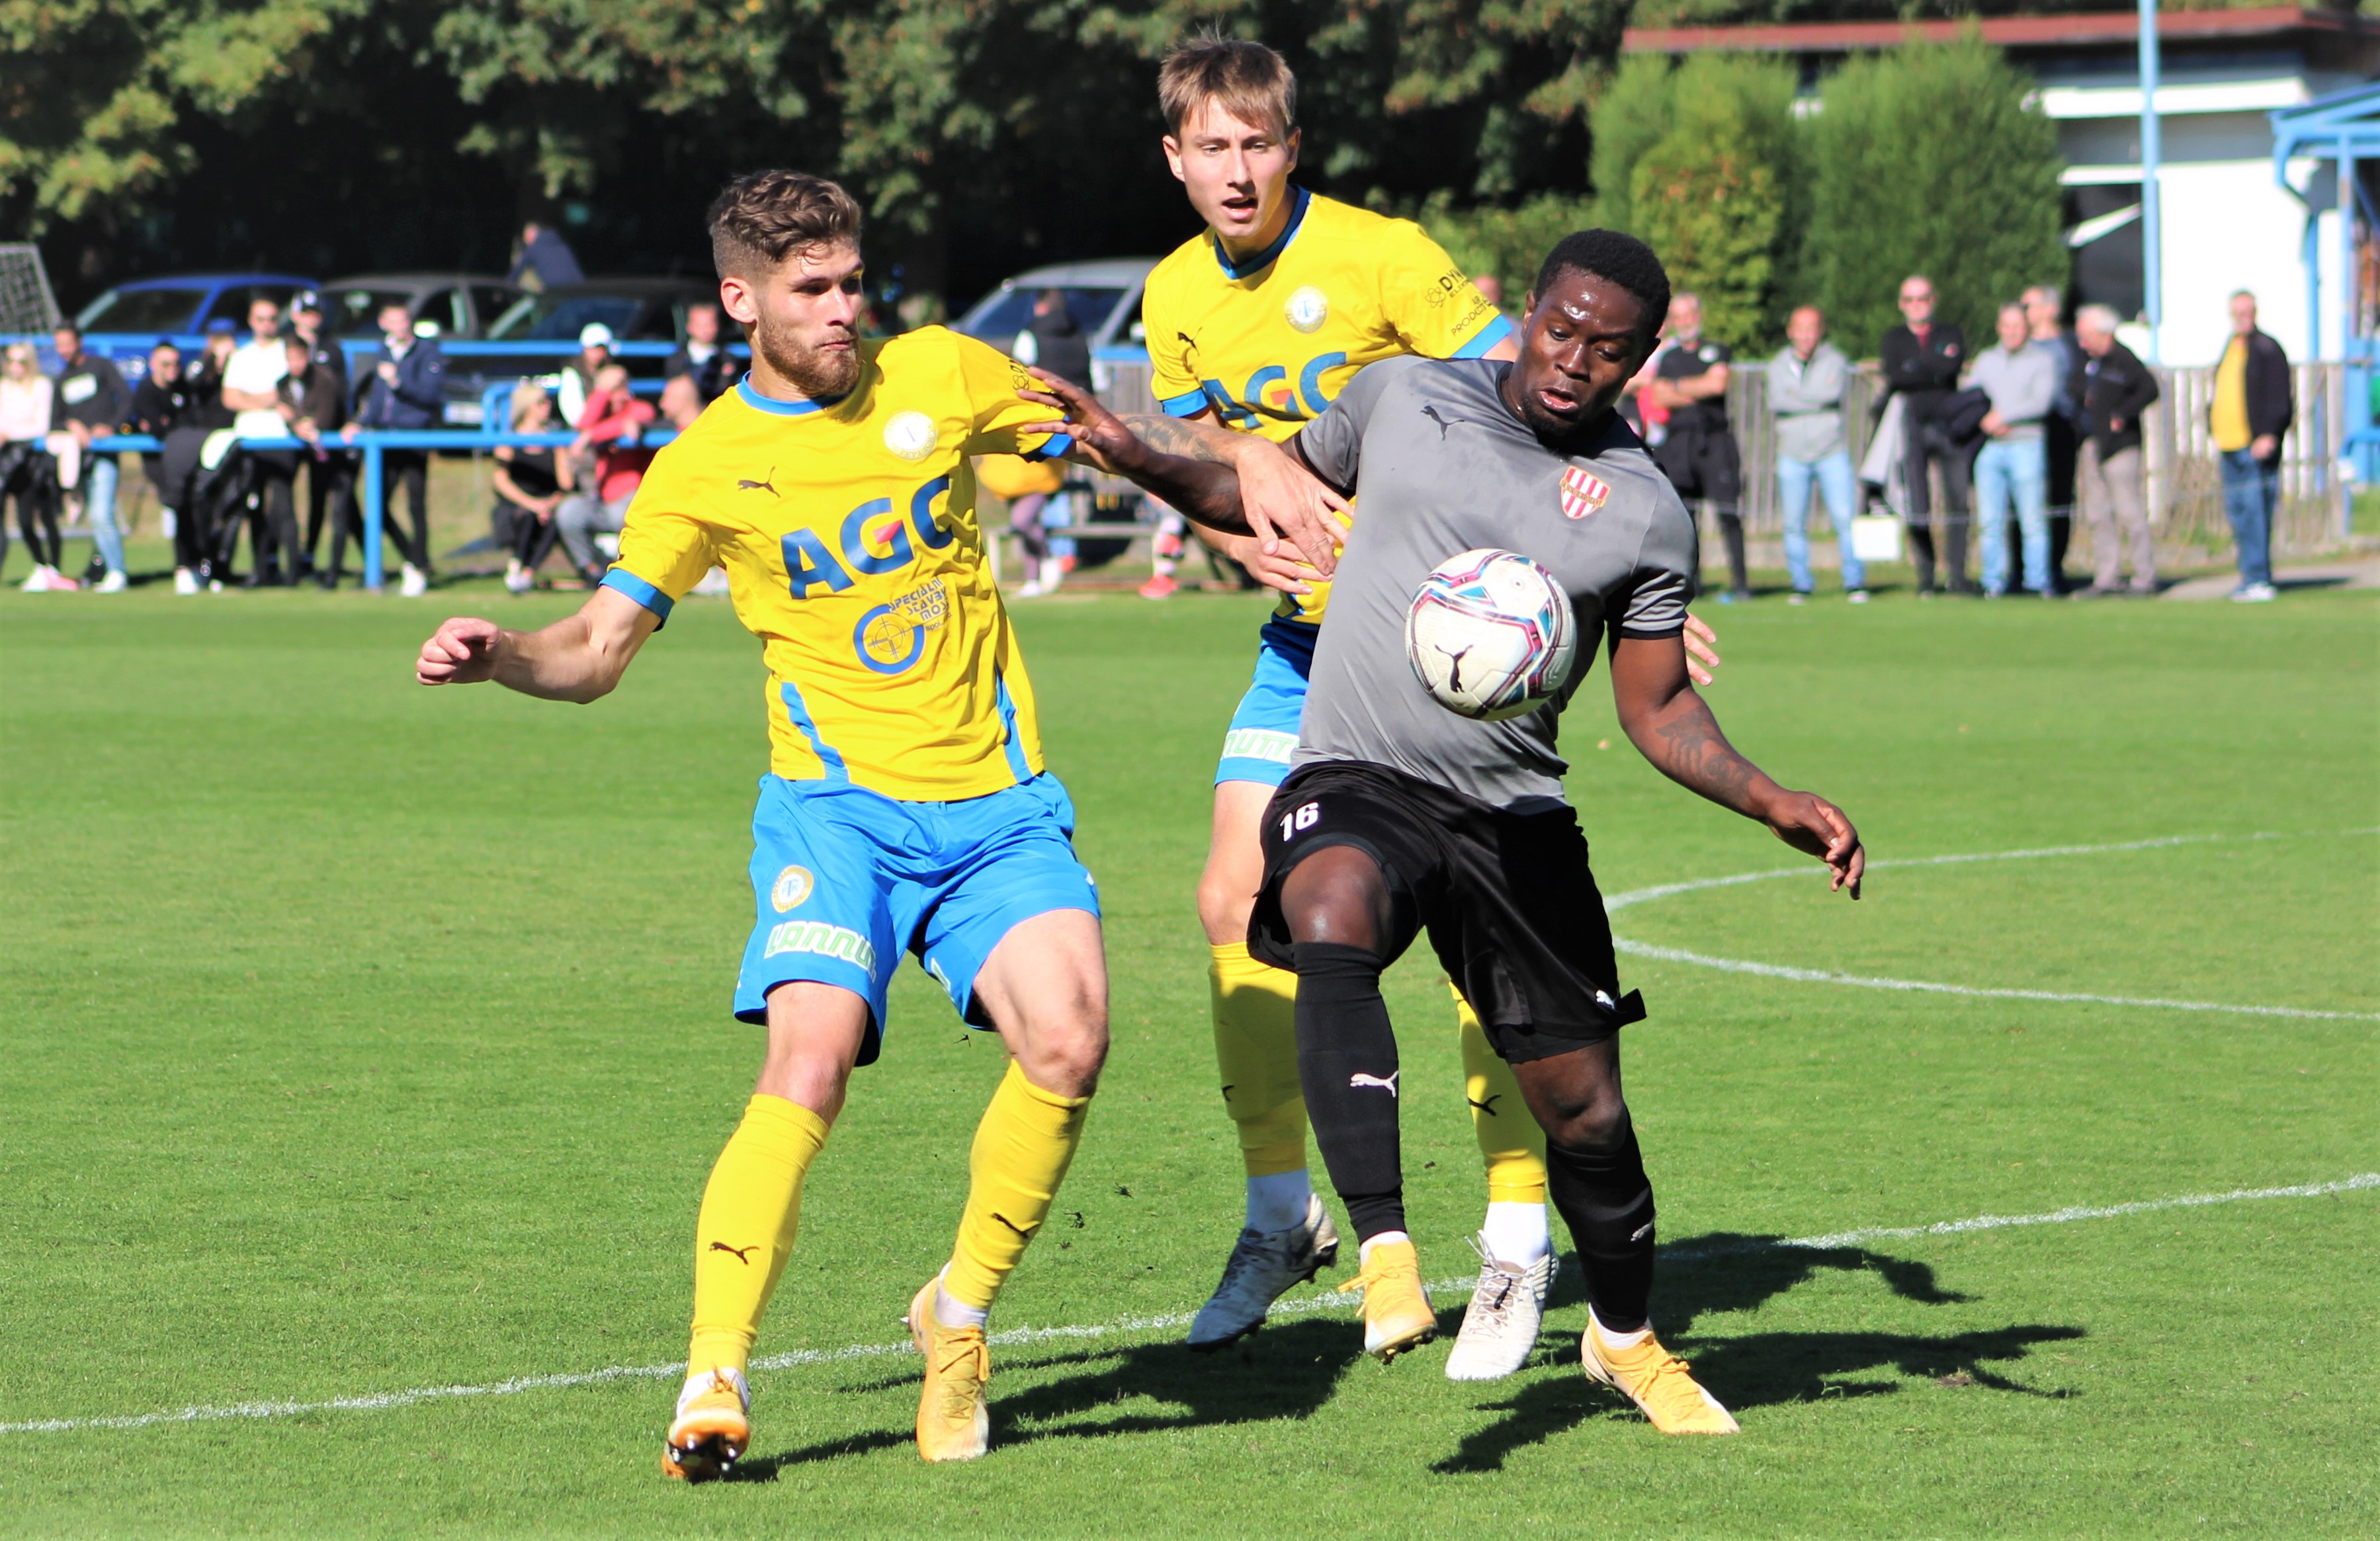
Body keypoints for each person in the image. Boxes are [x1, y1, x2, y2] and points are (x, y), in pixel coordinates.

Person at [1031, 227, 1863, 1436]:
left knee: (1585, 1109)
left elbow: (1657, 705)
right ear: (1523, 312)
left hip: (1510, 811)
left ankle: (1623, 1341)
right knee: (1325, 905)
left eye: (1609, 346)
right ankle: (1383, 1253)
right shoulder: (1398, 395)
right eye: (1560, 327)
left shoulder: (1640, 510)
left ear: (1642, 359)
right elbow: (1256, 499)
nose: (1575, 358)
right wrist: (1134, 456)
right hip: (1358, 765)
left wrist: (1770, 797)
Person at [413, 168, 1158, 1474]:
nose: (840, 311)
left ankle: (959, 1322)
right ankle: (712, 1375)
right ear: (739, 300)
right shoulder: (704, 468)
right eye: (808, 290)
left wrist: (1225, 471)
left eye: (850, 281)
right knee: (804, 1063)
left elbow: (1100, 447)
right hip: (831, 818)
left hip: (995, 805)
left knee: (1072, 1040)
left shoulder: (941, 373)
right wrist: (503, 657)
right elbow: (595, 648)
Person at [1138, 35, 1592, 1381]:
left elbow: (1527, 399)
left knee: (1473, 937)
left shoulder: (1386, 255)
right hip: (1302, 653)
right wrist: (1241, 530)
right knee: (1231, 900)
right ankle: (1280, 1214)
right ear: (1174, 158)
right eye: (1208, 148)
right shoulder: (1170, 298)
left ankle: (1515, 1231)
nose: (1234, 170)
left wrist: (1618, 567)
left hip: (1444, 651)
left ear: (1291, 147)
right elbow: (1217, 469)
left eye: (1255, 143)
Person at [1644, 292, 1748, 603]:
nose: (1686, 321)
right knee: (1687, 517)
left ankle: (1741, 583)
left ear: (1699, 315)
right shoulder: (1668, 358)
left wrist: (1677, 388)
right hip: (1679, 444)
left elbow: (1717, 385)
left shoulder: (1717, 350)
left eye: (1690, 314)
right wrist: (1696, 387)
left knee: (1728, 513)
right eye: (1680, 316)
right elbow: (1658, 397)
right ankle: (1694, 584)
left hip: (1715, 441)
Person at [1765, 304, 1864, 603]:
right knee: (1794, 523)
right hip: (1792, 454)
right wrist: (1812, 399)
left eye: (1812, 329)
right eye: (1801, 329)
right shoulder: (1777, 364)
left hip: (1831, 451)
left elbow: (1832, 395)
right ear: (1791, 332)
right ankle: (1801, 584)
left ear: (1820, 331)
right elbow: (1777, 401)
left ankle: (1855, 583)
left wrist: (1797, 397)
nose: (1807, 336)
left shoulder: (1835, 361)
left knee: (1846, 519)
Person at [1880, 275, 1972, 595]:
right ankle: (1926, 576)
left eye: (1922, 299)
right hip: (1912, 426)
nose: (1916, 306)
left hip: (1949, 426)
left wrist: (1916, 369)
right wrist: (1928, 368)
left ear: (1933, 300)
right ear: (1902, 305)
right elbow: (1896, 375)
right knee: (1918, 504)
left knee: (1957, 501)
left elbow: (1949, 368)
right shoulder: (1894, 339)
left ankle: (1958, 575)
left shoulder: (1950, 333)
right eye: (1910, 300)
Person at [350, 300, 443, 596]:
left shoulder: (428, 351)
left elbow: (430, 395)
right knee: (377, 504)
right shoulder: (384, 351)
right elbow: (378, 399)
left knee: (416, 503)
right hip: (386, 440)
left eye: (404, 320)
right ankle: (411, 558)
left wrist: (399, 381)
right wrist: (361, 422)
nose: (400, 326)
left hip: (415, 438)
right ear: (383, 323)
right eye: (394, 321)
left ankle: (419, 567)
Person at [2070, 304, 2160, 597]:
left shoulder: (2124, 360)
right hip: (2092, 445)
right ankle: (2107, 577)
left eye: (2087, 336)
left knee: (2129, 513)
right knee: (2098, 515)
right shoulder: (2086, 361)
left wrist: (2122, 414)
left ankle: (2145, 578)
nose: (2082, 342)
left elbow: (2149, 389)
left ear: (2104, 333)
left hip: (2121, 449)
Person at [1969, 302, 2059, 597]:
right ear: (1999, 328)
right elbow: (1971, 396)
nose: (2012, 332)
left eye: (2018, 326)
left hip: (2026, 445)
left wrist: (2004, 416)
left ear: (2027, 328)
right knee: (1989, 522)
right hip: (1990, 448)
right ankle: (1992, 582)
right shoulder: (1986, 360)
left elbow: (2041, 402)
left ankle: (2037, 582)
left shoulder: (2042, 360)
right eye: (2007, 326)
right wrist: (1985, 420)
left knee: (2032, 520)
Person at [2212, 290, 2292, 603]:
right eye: (2237, 313)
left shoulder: (2267, 348)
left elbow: (2279, 397)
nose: (2242, 318)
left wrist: (2269, 433)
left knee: (2256, 512)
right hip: (2228, 443)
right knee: (2239, 514)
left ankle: (2259, 578)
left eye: (2247, 312)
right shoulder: (2231, 347)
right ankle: (2248, 576)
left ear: (2255, 313)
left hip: (2253, 444)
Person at [221, 296, 302, 586]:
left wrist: (251, 398)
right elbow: (230, 397)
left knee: (284, 507)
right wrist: (266, 400)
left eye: (272, 318)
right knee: (253, 507)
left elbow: (287, 394)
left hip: (281, 439)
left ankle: (292, 572)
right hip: (249, 441)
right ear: (251, 321)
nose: (267, 324)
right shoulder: (241, 356)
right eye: (261, 319)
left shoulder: (286, 352)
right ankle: (261, 570)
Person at [552, 363, 653, 586]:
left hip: (631, 499)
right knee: (569, 512)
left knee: (623, 516)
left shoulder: (638, 409)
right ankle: (592, 570)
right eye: (609, 390)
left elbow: (642, 416)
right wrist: (601, 394)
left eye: (618, 388)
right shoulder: (602, 415)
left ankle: (631, 574)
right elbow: (583, 425)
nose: (615, 395)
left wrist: (592, 435)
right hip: (603, 500)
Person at [50, 322, 132, 592]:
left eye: (68, 343)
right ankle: (106, 570)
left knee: (101, 514)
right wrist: (71, 425)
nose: (63, 350)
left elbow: (126, 398)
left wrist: (112, 426)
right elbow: (55, 421)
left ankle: (117, 572)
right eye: (59, 345)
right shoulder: (60, 380)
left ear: (79, 342)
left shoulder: (101, 366)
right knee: (94, 516)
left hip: (104, 453)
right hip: (80, 459)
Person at [283, 335, 362, 589]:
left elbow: (327, 418)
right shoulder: (282, 383)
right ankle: (309, 563)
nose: (296, 363)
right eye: (291, 358)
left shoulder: (325, 379)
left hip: (342, 455)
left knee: (341, 512)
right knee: (321, 508)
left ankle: (334, 573)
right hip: (318, 457)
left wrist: (304, 423)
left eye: (299, 357)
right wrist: (295, 423)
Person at [165, 322, 239, 592]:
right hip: (195, 445)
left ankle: (216, 567)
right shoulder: (200, 366)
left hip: (224, 444)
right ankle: (188, 564)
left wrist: (228, 365)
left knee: (223, 509)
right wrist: (213, 364)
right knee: (188, 505)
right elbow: (193, 388)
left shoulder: (239, 367)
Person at [288, 290, 351, 582]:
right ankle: (295, 560)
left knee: (329, 500)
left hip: (325, 435)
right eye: (306, 312)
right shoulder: (285, 347)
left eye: (316, 313)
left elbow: (340, 393)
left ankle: (321, 563)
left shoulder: (331, 350)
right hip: (294, 433)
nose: (312, 318)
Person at [2022, 285, 2080, 593]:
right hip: (2026, 433)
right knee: (2025, 503)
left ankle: (2054, 569)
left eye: (2028, 305)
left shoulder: (2068, 345)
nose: (2023, 311)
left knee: (2059, 501)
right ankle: (2021, 571)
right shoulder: (2021, 343)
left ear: (2048, 309)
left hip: (2060, 431)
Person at [1, 341, 69, 590]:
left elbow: (41, 426)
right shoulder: (5, 388)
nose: (15, 366)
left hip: (37, 461)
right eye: (10, 360)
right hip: (10, 461)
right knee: (23, 522)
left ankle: (55, 569)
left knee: (44, 517)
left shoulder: (42, 385)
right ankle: (41, 567)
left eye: (21, 361)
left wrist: (9, 433)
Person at [492, 383, 573, 593]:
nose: (547, 406)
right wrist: (533, 505)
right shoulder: (509, 440)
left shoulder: (555, 440)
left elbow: (566, 484)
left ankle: (528, 573)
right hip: (517, 505)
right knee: (527, 516)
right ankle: (518, 562)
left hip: (547, 503)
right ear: (528, 407)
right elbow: (501, 481)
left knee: (557, 520)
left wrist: (549, 503)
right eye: (541, 402)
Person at [129, 340, 191, 540]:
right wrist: (168, 423)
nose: (172, 369)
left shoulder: (184, 387)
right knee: (174, 498)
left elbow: (191, 421)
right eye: (166, 364)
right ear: (153, 364)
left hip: (183, 455)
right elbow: (157, 428)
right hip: (157, 458)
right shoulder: (145, 390)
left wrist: (168, 424)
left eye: (176, 364)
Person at [1012, 288, 1090, 388]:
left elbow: (1017, 374)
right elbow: (1097, 380)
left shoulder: (1029, 336)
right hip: (1079, 400)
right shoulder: (1082, 336)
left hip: (1045, 400)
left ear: (1042, 307)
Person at [666, 302, 736, 407]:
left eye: (709, 325)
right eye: (699, 325)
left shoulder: (727, 359)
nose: (705, 331)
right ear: (689, 327)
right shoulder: (677, 359)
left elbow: (726, 390)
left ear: (717, 326)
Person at [558, 323, 613, 429]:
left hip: (606, 430)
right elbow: (575, 417)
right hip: (583, 432)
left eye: (602, 348)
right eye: (593, 348)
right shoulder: (571, 374)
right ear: (584, 349)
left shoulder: (612, 372)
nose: (598, 353)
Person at [508, 219, 585, 292]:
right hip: (576, 290)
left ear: (536, 233)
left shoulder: (533, 249)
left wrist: (504, 289)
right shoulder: (562, 246)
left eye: (527, 235)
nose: (526, 239)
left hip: (555, 292)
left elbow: (516, 273)